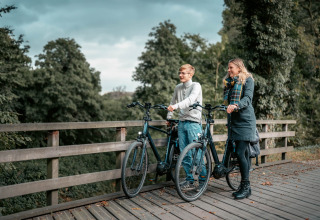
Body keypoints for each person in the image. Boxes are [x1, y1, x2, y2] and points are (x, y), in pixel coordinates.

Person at [167, 64, 205, 190]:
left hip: (194, 123)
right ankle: (190, 180)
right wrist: (169, 116)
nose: (180, 75)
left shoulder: (196, 86)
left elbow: (190, 100)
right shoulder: (178, 87)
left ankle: (203, 180)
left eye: (183, 73)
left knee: (197, 153)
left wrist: (176, 107)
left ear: (190, 74)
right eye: (180, 72)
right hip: (182, 123)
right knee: (184, 153)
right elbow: (172, 102)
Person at [224, 58, 256, 199]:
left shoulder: (248, 80)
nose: (229, 70)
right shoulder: (230, 83)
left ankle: (246, 186)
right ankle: (244, 186)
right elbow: (228, 102)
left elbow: (248, 98)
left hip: (245, 121)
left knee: (240, 152)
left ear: (239, 67)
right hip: (234, 122)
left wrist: (236, 105)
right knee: (238, 153)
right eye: (228, 68)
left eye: (231, 67)